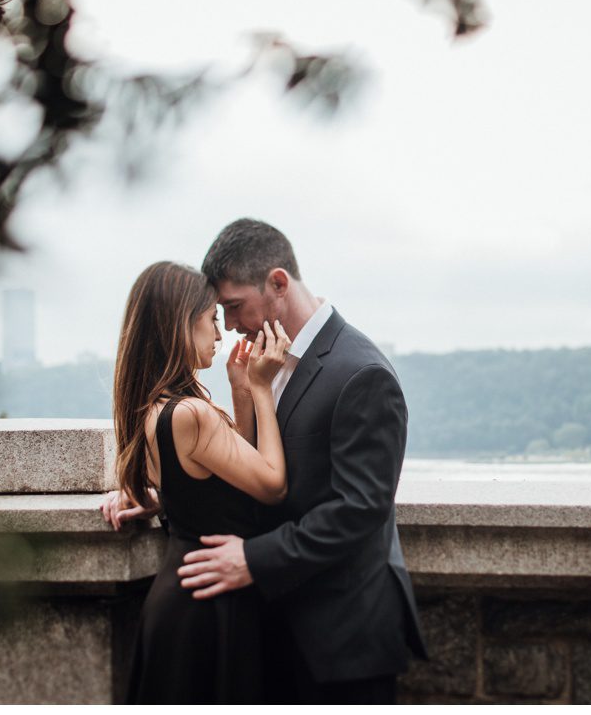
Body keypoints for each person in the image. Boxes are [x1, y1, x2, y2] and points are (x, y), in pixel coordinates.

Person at [108, 219, 427, 703]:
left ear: (277, 283)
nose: (229, 326)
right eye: (219, 313)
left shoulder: (360, 372)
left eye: (233, 307)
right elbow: (235, 466)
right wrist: (164, 492)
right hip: (263, 630)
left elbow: (361, 508)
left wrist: (253, 560)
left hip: (339, 640)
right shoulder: (261, 366)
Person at [102, 260, 291, 704]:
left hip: (185, 596)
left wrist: (241, 390)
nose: (221, 334)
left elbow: (227, 476)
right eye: (211, 320)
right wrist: (264, 389)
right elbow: (271, 484)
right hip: (206, 604)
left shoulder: (159, 409)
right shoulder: (191, 414)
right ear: (179, 326)